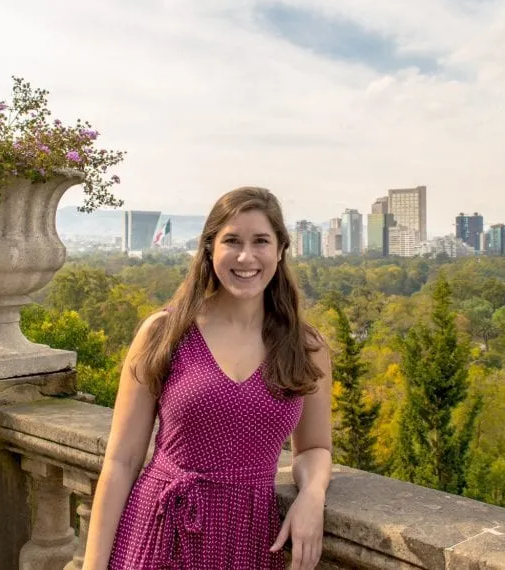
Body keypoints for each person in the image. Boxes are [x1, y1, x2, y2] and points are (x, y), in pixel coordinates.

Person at [83, 186, 333, 570]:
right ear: (209, 248)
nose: (246, 256)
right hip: (158, 531)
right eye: (231, 240)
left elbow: (314, 448)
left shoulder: (305, 346)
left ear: (280, 250)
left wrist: (312, 496)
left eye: (261, 241)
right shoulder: (165, 332)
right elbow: (121, 460)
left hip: (247, 543)